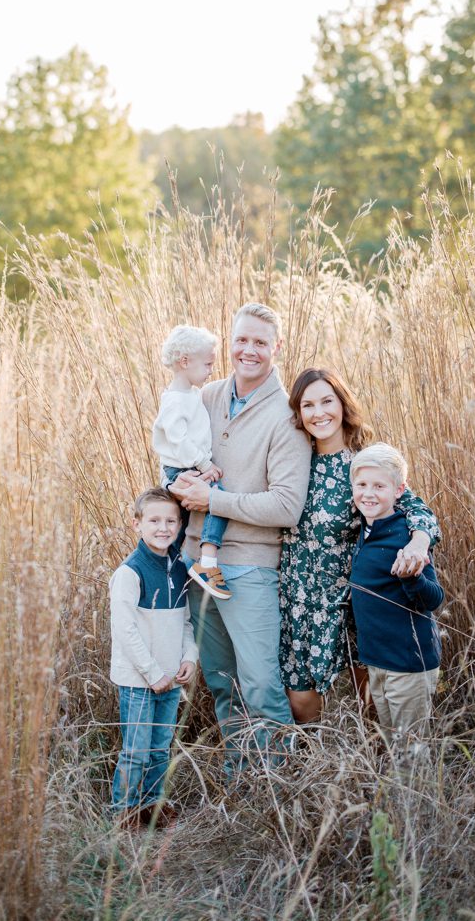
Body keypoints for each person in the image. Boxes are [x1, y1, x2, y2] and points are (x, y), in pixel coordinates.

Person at [169, 303, 311, 769]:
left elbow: (286, 506)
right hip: (196, 562)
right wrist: (177, 486)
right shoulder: (205, 396)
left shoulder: (287, 417)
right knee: (222, 683)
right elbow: (177, 456)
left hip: (249, 566)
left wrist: (215, 501)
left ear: (277, 347)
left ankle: (279, 791)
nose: (249, 350)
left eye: (260, 342)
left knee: (261, 685)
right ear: (230, 341)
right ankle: (240, 781)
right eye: (242, 340)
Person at [278, 368, 440, 724]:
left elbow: (419, 511)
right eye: (308, 405)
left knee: (371, 698)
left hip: (350, 598)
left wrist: (418, 542)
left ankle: (374, 756)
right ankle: (314, 756)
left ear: (342, 405)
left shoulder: (363, 465)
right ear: (298, 413)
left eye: (327, 401)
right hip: (298, 595)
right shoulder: (291, 462)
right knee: (300, 699)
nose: (319, 413)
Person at [109, 486, 198, 828]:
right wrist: (151, 673)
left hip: (170, 677)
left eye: (171, 521)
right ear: (137, 524)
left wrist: (189, 657)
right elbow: (125, 630)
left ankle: (153, 806)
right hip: (139, 680)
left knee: (161, 749)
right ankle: (125, 813)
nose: (163, 528)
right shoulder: (129, 573)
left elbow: (186, 621)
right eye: (154, 521)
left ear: (180, 525)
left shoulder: (179, 568)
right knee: (136, 751)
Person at [348, 443, 444, 750]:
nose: (369, 494)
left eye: (379, 486)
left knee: (410, 753)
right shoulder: (365, 530)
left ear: (399, 490)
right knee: (394, 746)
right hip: (377, 660)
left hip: (408, 663)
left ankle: (417, 786)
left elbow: (434, 599)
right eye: (362, 485)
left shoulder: (407, 536)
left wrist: (412, 577)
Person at [152, 324, 232, 600]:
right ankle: (207, 562)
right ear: (185, 361)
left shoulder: (192, 394)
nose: (211, 370)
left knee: (181, 523)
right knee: (216, 498)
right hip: (183, 467)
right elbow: (178, 441)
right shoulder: (175, 401)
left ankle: (168, 567)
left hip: (187, 466)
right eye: (207, 364)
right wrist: (204, 464)